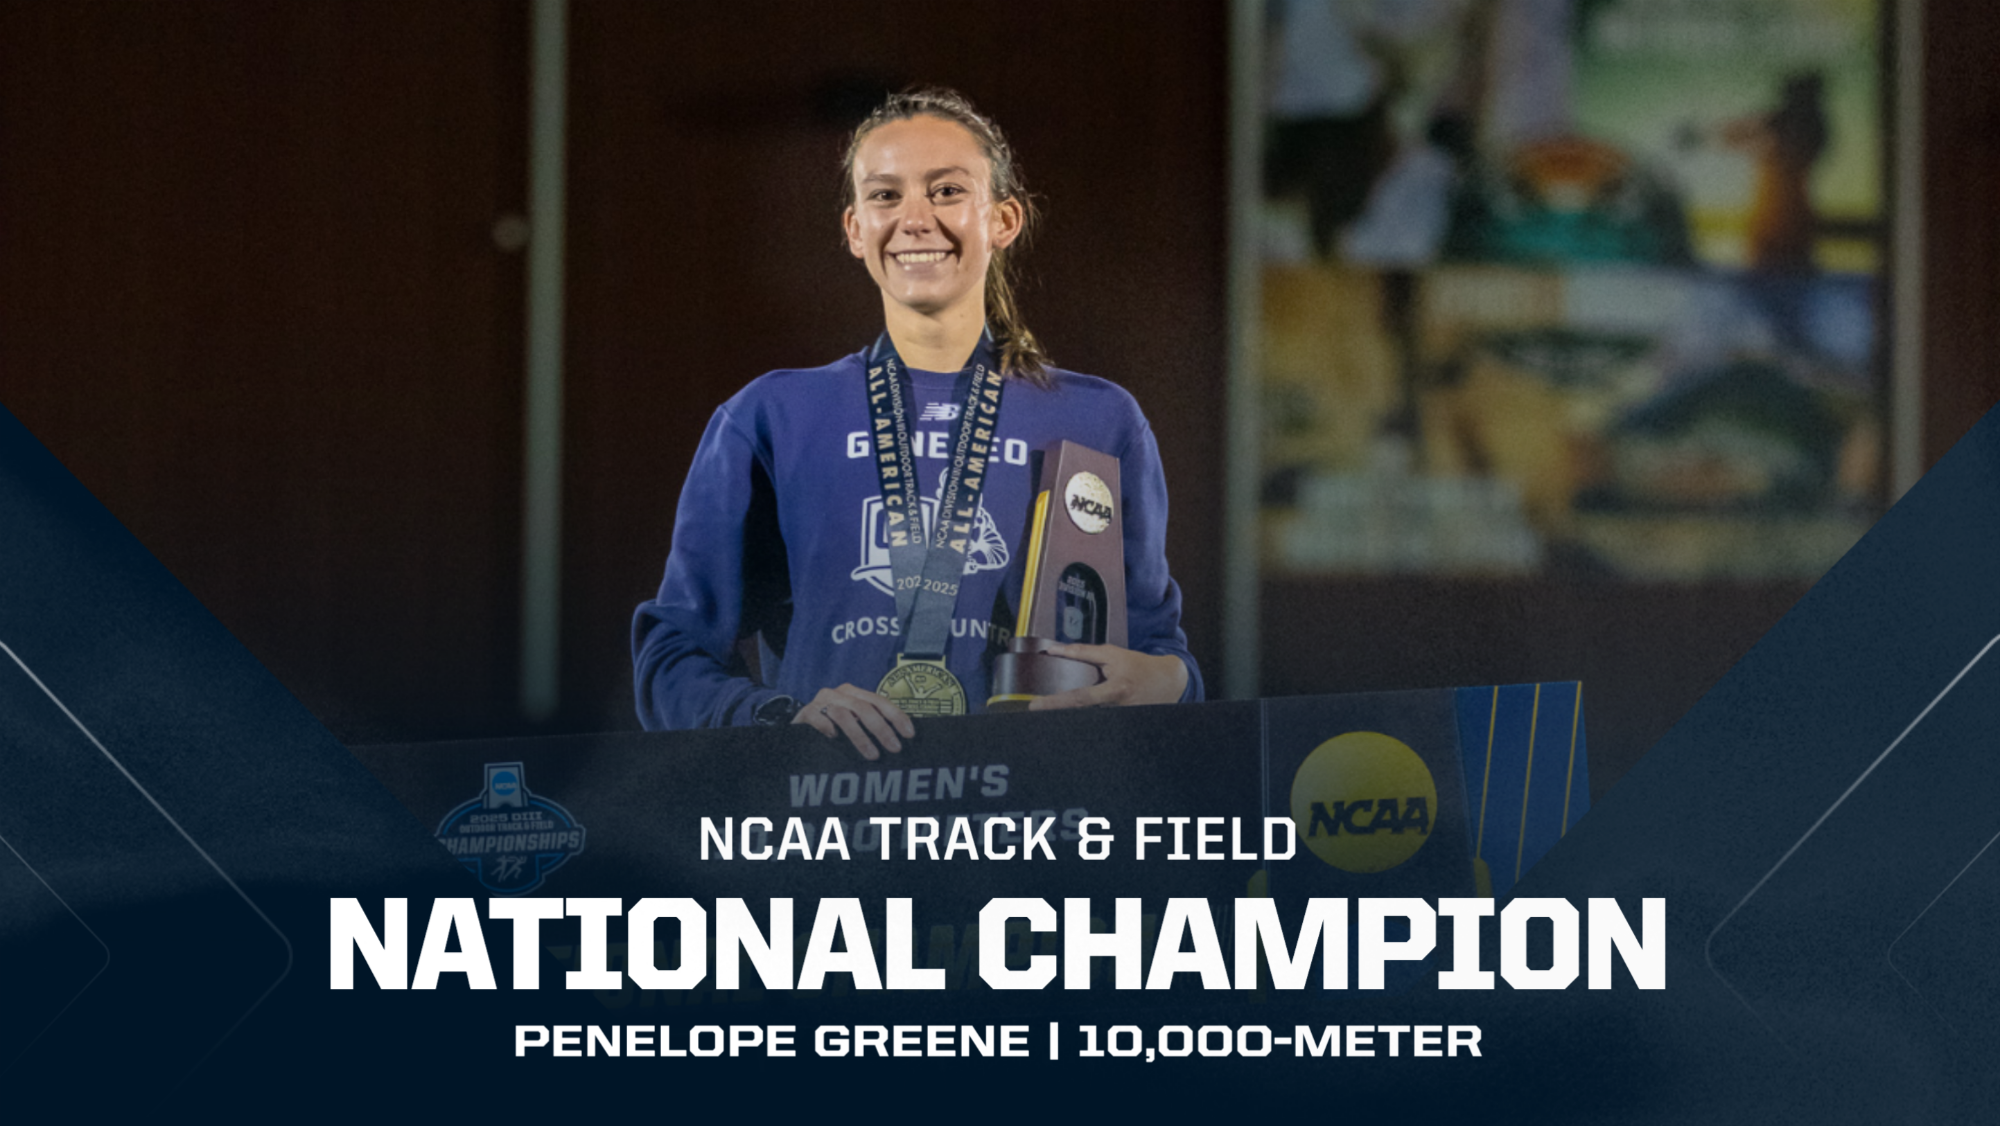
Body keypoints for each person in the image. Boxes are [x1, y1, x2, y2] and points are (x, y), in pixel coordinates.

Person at [632, 88, 1201, 758]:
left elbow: (1160, 657)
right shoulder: (772, 418)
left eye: (948, 190)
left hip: (1028, 823)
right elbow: (671, 658)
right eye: (884, 195)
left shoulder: (1097, 418)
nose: (915, 219)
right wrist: (779, 719)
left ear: (1004, 220)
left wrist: (1174, 680)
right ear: (853, 230)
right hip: (832, 825)